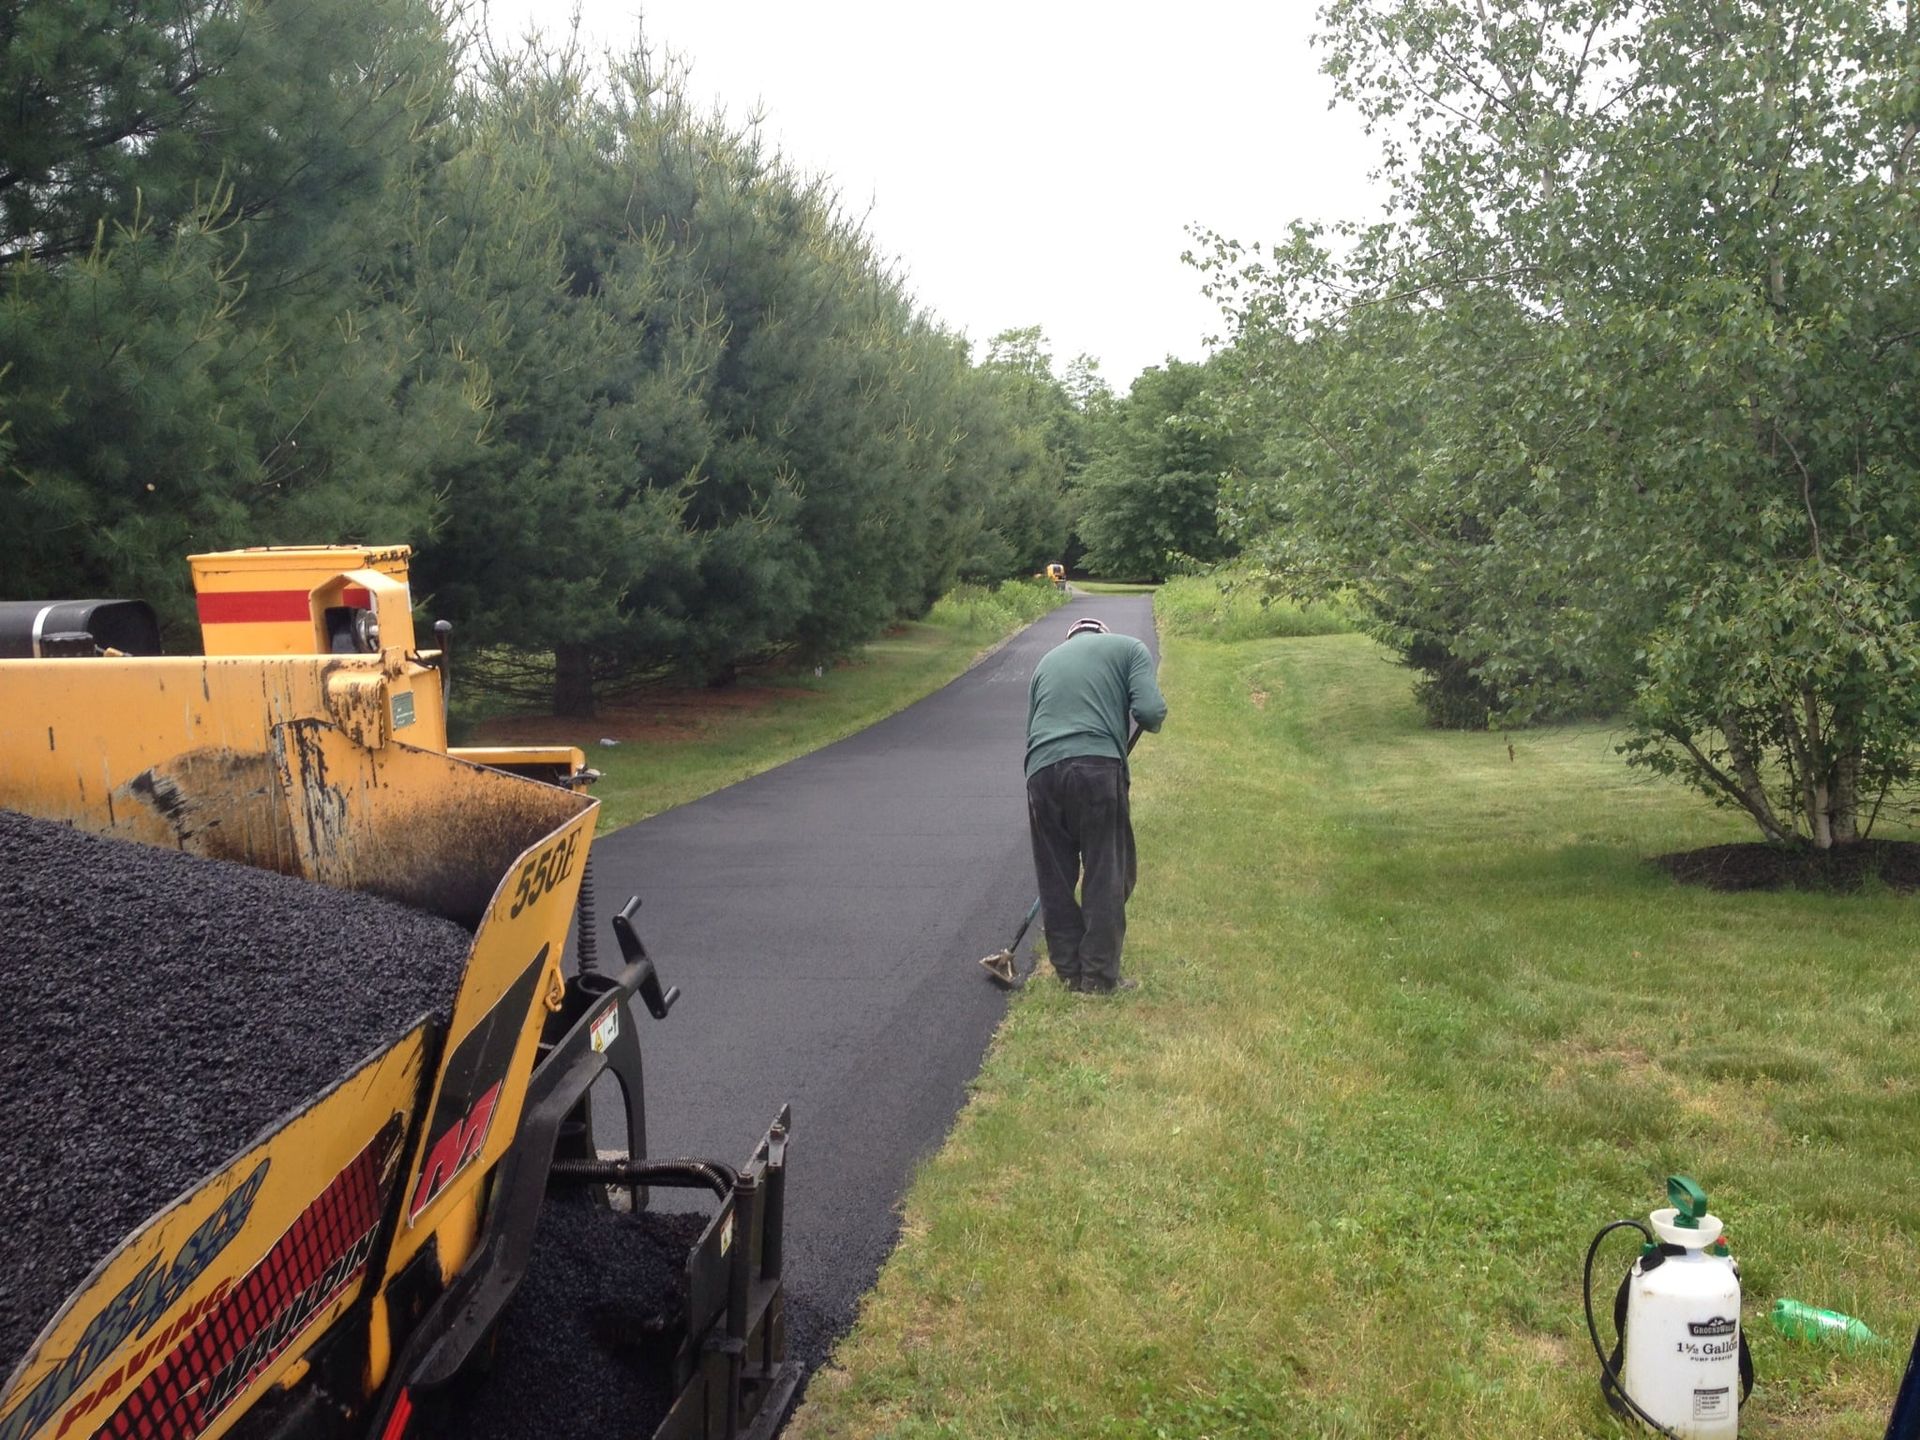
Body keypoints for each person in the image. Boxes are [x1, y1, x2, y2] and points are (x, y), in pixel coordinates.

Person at [1024, 615, 1168, 995]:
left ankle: (1069, 972)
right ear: (1103, 633)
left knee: (1055, 877)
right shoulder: (1129, 648)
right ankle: (1099, 978)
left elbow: (1032, 730)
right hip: (1095, 767)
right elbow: (1151, 713)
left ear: (1071, 638)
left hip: (1040, 772)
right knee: (1107, 870)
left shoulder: (1045, 663)